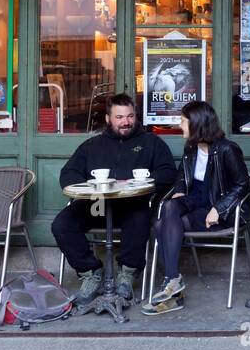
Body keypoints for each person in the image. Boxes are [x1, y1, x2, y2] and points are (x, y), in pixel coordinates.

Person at [51, 93, 177, 306]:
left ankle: (127, 274)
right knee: (62, 224)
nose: (126, 122)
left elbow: (167, 173)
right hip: (97, 204)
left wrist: (143, 183)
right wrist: (90, 187)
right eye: (119, 117)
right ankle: (90, 272)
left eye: (129, 116)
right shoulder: (92, 146)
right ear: (108, 119)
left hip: (132, 204)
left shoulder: (151, 143)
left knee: (139, 217)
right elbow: (68, 174)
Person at [143, 100, 250, 314]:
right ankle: (173, 280)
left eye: (183, 121)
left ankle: (174, 291)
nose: (179, 125)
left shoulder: (227, 149)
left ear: (197, 124)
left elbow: (243, 184)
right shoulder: (191, 148)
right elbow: (181, 177)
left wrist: (219, 208)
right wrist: (180, 188)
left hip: (220, 209)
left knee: (160, 225)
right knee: (167, 207)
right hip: (195, 201)